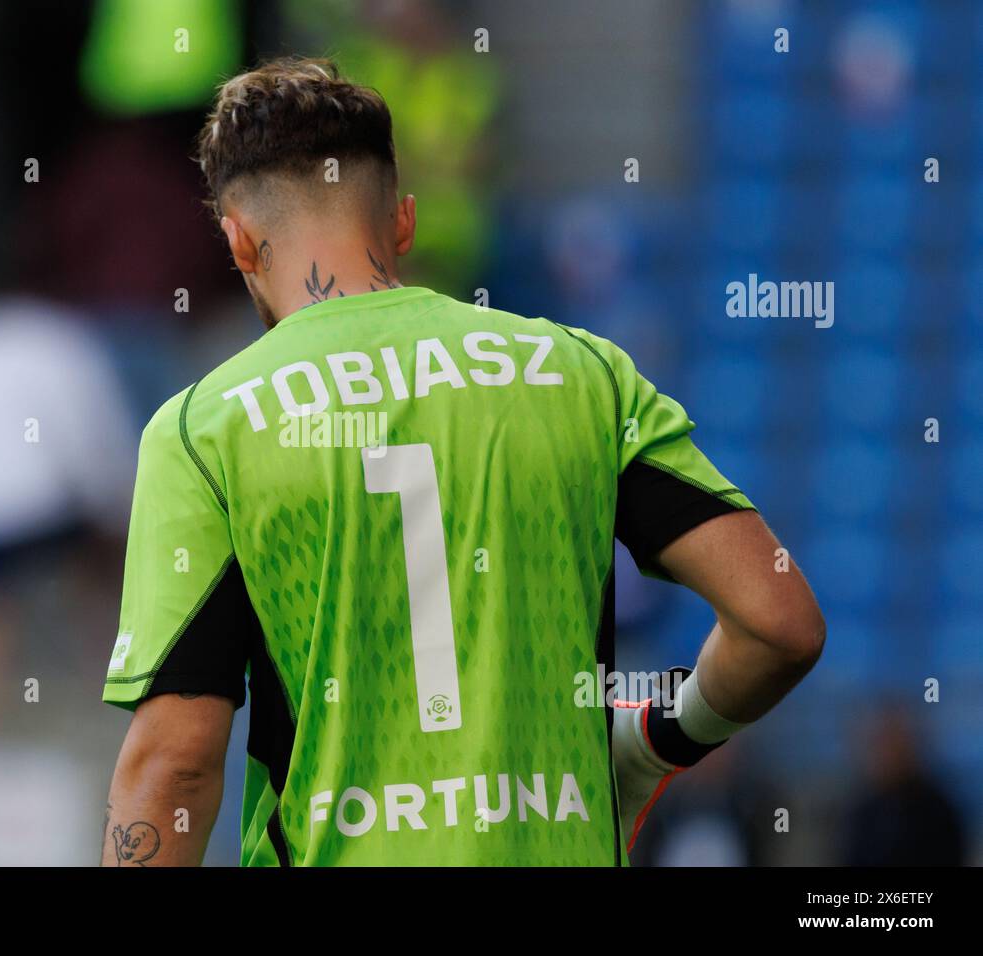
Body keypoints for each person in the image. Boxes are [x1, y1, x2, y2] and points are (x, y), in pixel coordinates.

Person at [99, 57, 825, 867]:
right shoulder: (578, 373)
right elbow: (780, 624)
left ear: (237, 242)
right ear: (403, 223)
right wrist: (656, 742)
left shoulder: (207, 429)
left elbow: (175, 762)